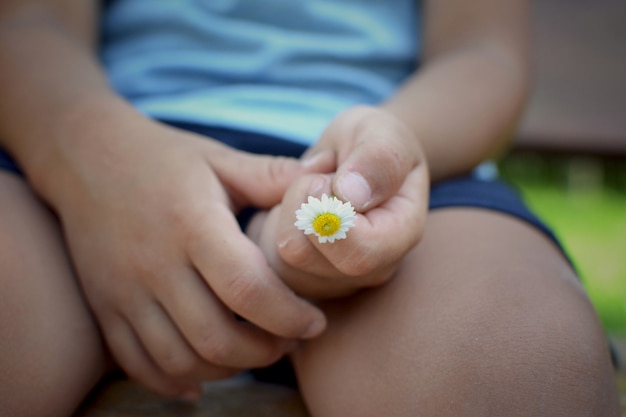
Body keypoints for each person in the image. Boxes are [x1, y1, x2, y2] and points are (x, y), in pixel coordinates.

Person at [0, 1, 619, 416]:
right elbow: (29, 26)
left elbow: (485, 55)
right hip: (98, 152)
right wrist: (99, 156)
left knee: (522, 362)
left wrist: (382, 153)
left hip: (408, 156)